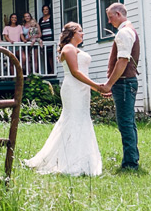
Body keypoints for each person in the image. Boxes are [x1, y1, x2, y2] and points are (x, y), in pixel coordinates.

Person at [24, 22, 106, 176]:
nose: (83, 34)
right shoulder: (68, 48)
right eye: (80, 31)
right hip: (73, 89)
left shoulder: (75, 49)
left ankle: (83, 158)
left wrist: (95, 89)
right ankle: (70, 160)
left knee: (82, 120)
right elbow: (75, 72)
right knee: (73, 119)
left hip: (82, 89)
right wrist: (97, 86)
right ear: (72, 33)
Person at [101, 3, 141, 171]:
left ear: (118, 14)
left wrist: (109, 83)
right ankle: (132, 159)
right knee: (128, 122)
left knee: (125, 123)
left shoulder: (124, 33)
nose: (109, 22)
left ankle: (131, 163)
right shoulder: (128, 30)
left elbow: (123, 61)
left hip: (124, 83)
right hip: (126, 83)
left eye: (110, 17)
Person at [38, 4, 54, 73]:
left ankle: (53, 69)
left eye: (46, 9)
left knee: (51, 53)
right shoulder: (41, 19)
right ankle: (50, 69)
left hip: (50, 37)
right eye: (44, 10)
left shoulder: (51, 18)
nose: (45, 11)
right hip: (44, 38)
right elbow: (39, 29)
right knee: (47, 54)